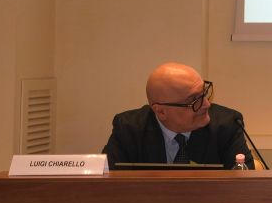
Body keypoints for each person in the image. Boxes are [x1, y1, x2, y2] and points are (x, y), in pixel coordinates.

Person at [103, 62, 253, 169]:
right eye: (194, 100)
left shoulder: (227, 125)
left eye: (204, 93)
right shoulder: (128, 129)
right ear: (161, 112)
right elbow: (107, 184)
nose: (206, 104)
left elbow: (244, 188)